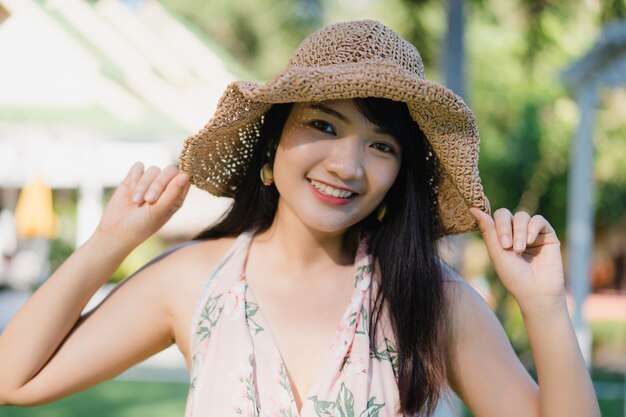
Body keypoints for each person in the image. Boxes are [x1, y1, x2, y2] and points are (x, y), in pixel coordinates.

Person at [0, 20, 599, 417]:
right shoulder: (195, 282)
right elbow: (15, 379)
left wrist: (543, 307)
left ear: (399, 178)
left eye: (382, 145)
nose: (348, 165)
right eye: (324, 124)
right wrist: (111, 240)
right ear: (271, 146)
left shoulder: (431, 299)